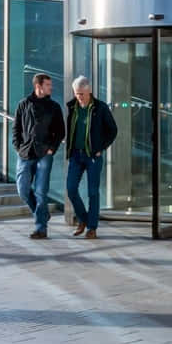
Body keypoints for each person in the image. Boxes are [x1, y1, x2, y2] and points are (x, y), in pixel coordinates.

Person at [11, 72, 66, 240]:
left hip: (44, 154)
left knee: (41, 192)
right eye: (48, 85)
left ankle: (41, 228)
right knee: (23, 190)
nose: (51, 87)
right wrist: (18, 147)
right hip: (25, 153)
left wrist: (51, 149)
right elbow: (16, 129)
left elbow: (60, 131)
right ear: (38, 86)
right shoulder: (23, 104)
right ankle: (42, 214)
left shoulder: (54, 107)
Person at [64, 76, 119, 239]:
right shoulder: (72, 107)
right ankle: (83, 219)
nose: (78, 97)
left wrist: (101, 148)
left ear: (89, 91)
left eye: (81, 93)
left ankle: (92, 228)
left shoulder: (100, 108)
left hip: (93, 156)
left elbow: (113, 130)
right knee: (71, 189)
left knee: (93, 192)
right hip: (75, 154)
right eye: (76, 93)